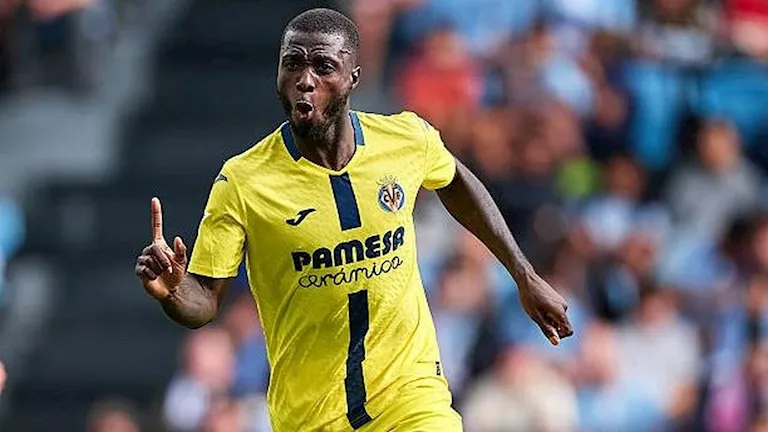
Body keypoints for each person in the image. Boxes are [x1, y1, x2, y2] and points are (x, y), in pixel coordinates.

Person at [134, 8, 573, 432]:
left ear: (353, 78)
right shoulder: (243, 182)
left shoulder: (406, 139)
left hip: (410, 396)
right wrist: (173, 291)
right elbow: (204, 302)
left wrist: (524, 274)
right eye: (292, 64)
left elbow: (455, 179)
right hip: (310, 416)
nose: (306, 80)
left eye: (323, 66)